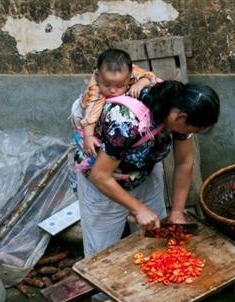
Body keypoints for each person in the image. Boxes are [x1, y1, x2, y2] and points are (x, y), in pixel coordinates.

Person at [73, 79, 221, 257]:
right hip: (104, 184)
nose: (191, 134)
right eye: (194, 129)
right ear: (180, 117)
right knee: (102, 252)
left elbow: (185, 162)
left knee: (154, 241)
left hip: (143, 174)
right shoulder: (126, 122)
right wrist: (138, 209)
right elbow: (100, 176)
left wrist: (176, 213)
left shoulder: (180, 114)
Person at [73, 48, 160, 159]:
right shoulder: (96, 90)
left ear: (129, 78)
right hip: (84, 111)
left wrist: (139, 85)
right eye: (107, 85)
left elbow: (150, 77)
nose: (112, 90)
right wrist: (88, 136)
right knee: (87, 136)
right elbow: (90, 115)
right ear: (99, 76)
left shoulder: (131, 71)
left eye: (119, 86)